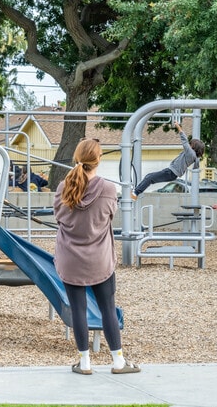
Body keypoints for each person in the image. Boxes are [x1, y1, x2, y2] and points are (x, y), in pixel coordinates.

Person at [53, 138, 140, 375]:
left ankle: (84, 363)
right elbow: (109, 217)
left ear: (76, 157)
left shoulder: (64, 187)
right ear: (98, 160)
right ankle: (118, 362)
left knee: (78, 309)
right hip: (100, 259)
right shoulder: (108, 189)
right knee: (107, 309)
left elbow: (59, 218)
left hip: (70, 258)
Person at [131, 122, 205, 199]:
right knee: (149, 176)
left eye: (191, 144)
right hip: (172, 173)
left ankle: (135, 193)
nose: (189, 145)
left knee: (149, 178)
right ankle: (136, 191)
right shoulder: (195, 157)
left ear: (194, 146)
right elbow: (196, 167)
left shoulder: (190, 153)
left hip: (171, 172)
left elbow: (184, 140)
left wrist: (178, 127)